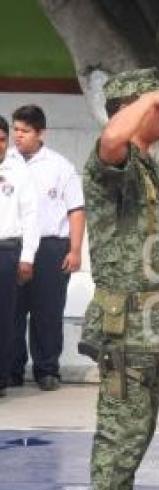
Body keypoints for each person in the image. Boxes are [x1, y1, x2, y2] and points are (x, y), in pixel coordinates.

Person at [79, 68, 159, 490]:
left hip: (149, 320)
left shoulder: (145, 166)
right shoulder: (111, 162)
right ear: (135, 109)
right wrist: (140, 102)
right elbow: (111, 134)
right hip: (125, 323)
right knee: (121, 423)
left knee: (137, 425)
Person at [8, 105, 85, 391]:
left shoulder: (60, 166)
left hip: (51, 245)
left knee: (47, 310)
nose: (19, 136)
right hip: (15, 245)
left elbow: (76, 210)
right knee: (11, 309)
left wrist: (74, 250)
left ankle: (46, 369)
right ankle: (11, 369)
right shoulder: (7, 163)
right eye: (15, 130)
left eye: (25, 131)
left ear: (41, 133)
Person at [0, 116, 38, 398]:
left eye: (2, 139)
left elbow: (31, 217)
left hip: (7, 250)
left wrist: (27, 257)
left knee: (5, 319)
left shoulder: (19, 171)